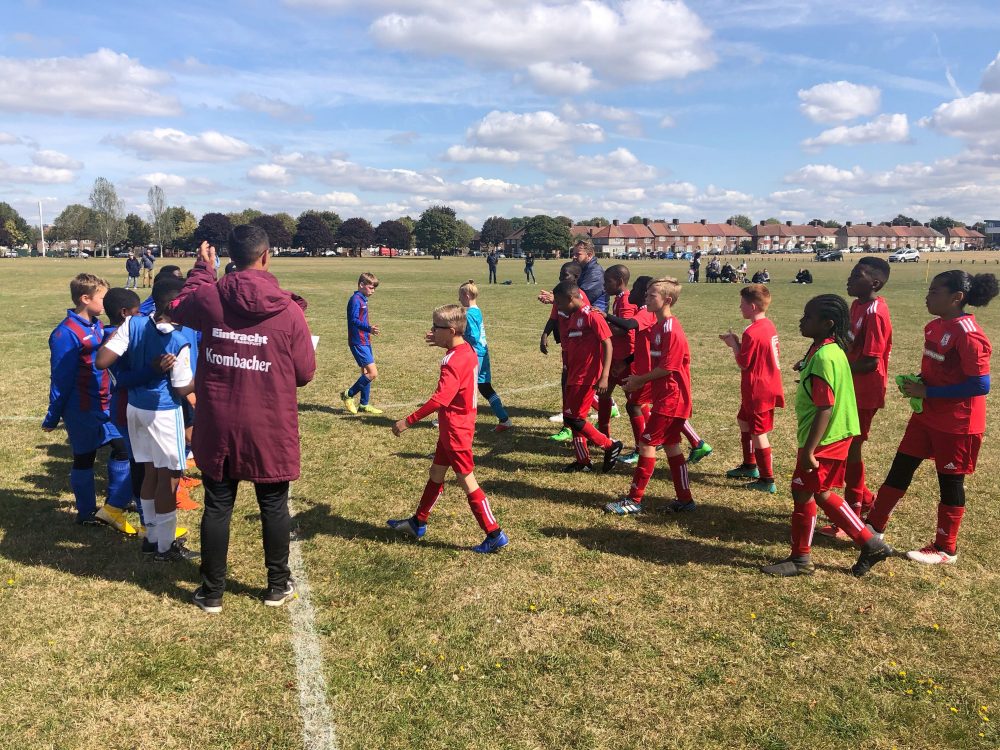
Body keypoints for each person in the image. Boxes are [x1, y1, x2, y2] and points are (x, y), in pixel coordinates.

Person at [170, 227, 317, 613]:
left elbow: (179, 303)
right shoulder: (288, 311)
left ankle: (212, 591)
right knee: (273, 504)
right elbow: (305, 372)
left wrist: (203, 268)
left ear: (231, 258)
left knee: (219, 504)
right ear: (266, 256)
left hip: (219, 417)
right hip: (268, 420)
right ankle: (276, 584)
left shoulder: (211, 297)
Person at [857, 271, 997, 573]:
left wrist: (929, 390)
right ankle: (873, 529)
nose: (927, 296)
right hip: (926, 415)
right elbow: (942, 369)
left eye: (934, 291)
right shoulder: (934, 326)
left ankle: (946, 548)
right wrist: (920, 382)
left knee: (950, 482)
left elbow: (981, 385)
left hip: (958, 423)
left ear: (956, 297)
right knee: (900, 468)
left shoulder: (970, 334)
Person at [761, 294, 894, 577]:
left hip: (824, 438)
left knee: (805, 491)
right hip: (835, 434)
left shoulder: (824, 356)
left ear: (827, 323)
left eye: (808, 317)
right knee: (817, 492)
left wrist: (810, 448)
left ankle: (802, 559)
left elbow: (825, 406)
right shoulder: (829, 348)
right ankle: (869, 544)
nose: (802, 320)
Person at [387, 304, 509, 553]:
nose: (432, 331)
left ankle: (494, 533)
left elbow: (439, 399)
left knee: (467, 481)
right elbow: (456, 346)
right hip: (453, 426)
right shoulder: (467, 350)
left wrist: (407, 421)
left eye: (436, 327)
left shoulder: (452, 361)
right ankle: (418, 521)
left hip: (455, 430)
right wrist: (442, 339)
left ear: (451, 330)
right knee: (436, 472)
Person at [97, 277, 198, 563]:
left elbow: (102, 361)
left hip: (135, 409)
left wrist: (142, 366)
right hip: (164, 412)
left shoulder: (133, 323)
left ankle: (150, 538)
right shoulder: (178, 340)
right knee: (169, 477)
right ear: (177, 305)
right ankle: (164, 547)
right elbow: (181, 388)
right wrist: (201, 383)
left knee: (150, 471)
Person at [43, 273, 133, 530]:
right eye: (103, 298)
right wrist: (53, 416)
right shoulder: (64, 334)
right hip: (81, 408)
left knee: (123, 448)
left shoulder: (96, 324)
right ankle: (85, 513)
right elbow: (60, 379)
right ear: (85, 299)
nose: (107, 304)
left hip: (106, 403)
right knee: (85, 458)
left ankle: (115, 504)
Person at [605, 278, 695, 515]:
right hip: (665, 396)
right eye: (647, 294)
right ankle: (685, 498)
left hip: (671, 398)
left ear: (667, 300)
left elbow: (668, 368)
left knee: (646, 443)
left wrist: (639, 380)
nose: (646, 298)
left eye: (652, 295)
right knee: (672, 445)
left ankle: (634, 499)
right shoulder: (657, 326)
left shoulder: (671, 329)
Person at [819, 257, 892, 539]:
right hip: (849, 388)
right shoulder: (857, 305)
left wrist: (833, 369)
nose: (849, 279)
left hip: (864, 390)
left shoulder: (875, 312)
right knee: (847, 448)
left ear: (874, 282)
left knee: (851, 450)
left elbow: (870, 362)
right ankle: (866, 500)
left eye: (855, 275)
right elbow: (849, 345)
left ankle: (853, 511)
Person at [551, 281, 623, 473]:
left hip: (587, 376)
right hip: (574, 374)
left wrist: (604, 375)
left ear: (570, 298)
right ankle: (583, 460)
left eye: (559, 302)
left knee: (574, 418)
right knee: (572, 417)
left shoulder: (592, 315)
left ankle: (609, 445)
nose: (557, 306)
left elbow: (607, 344)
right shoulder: (573, 316)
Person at [719, 284, 784, 494]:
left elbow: (744, 362)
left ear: (753, 306)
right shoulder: (769, 325)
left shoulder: (752, 332)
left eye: (743, 304)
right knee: (743, 421)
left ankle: (767, 479)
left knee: (758, 432)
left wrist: (733, 344)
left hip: (759, 389)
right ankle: (749, 465)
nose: (740, 307)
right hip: (763, 385)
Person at [459, 280, 513, 432]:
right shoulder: (477, 310)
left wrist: (460, 336)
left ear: (467, 295)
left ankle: (458, 418)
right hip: (483, 352)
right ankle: (504, 420)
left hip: (476, 355)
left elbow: (474, 337)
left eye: (460, 296)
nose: (459, 300)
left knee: (463, 386)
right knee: (485, 387)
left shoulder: (470, 314)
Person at [597, 265, 636, 439]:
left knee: (635, 404)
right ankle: (604, 434)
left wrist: (601, 329)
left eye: (608, 281)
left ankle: (643, 444)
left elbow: (625, 328)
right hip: (615, 356)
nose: (604, 285)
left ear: (620, 282)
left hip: (626, 359)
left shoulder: (626, 300)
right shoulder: (618, 298)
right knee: (603, 393)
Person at [341, 272, 383, 415]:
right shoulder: (355, 300)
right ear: (361, 285)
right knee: (372, 373)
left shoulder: (362, 298)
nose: (373, 291)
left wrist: (369, 331)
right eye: (371, 287)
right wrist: (369, 328)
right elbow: (353, 320)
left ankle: (364, 404)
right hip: (358, 341)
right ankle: (348, 394)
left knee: (365, 372)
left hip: (365, 340)